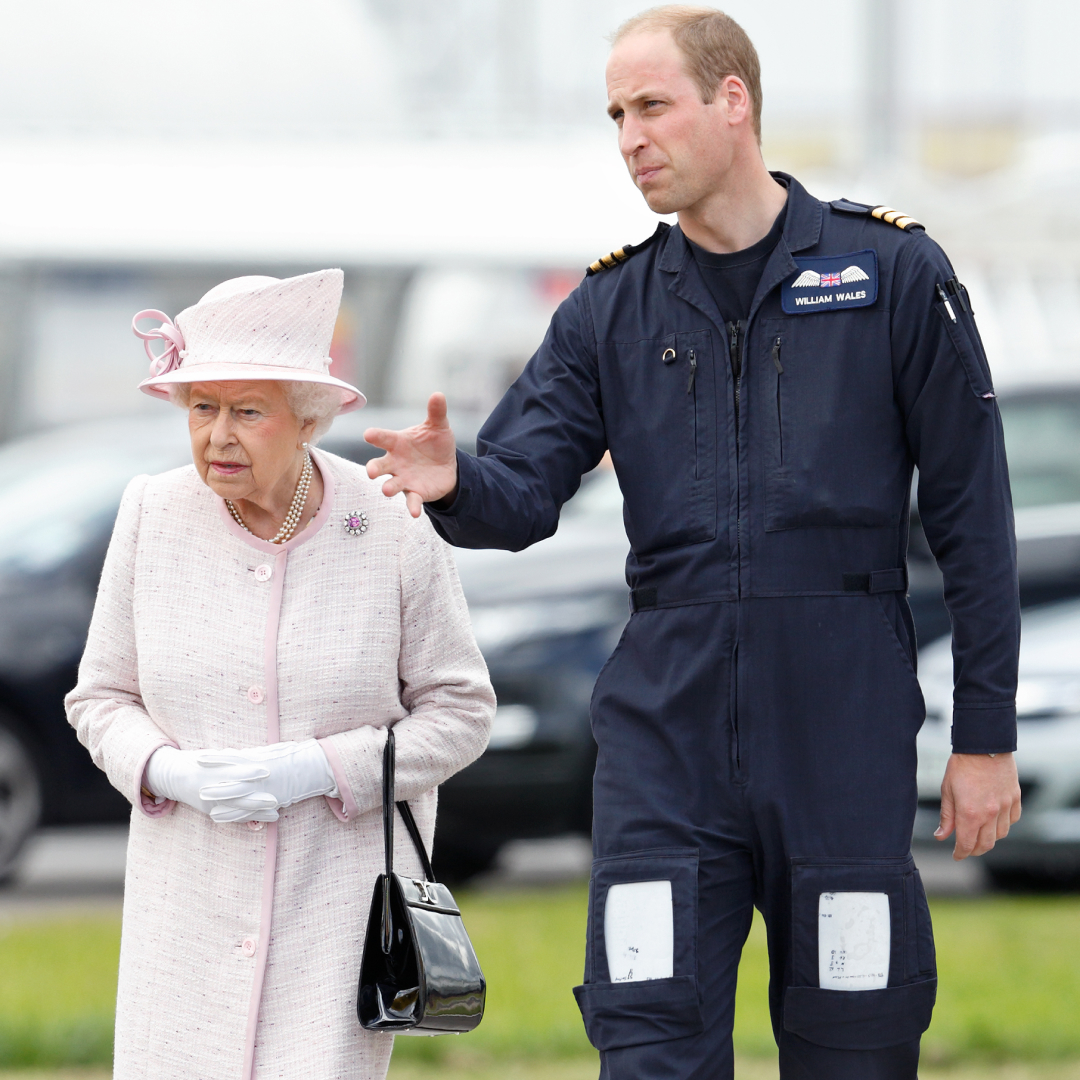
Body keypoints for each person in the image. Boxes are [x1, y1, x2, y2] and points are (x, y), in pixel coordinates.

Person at [363, 7, 1022, 1080]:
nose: (630, 136)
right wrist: (457, 484)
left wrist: (984, 736)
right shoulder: (610, 308)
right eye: (616, 114)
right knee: (649, 1035)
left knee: (854, 1039)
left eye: (652, 105)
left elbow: (973, 518)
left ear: (734, 102)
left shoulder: (890, 274)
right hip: (664, 732)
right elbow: (523, 492)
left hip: (841, 720)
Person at [65, 269, 494, 1080]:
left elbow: (461, 712)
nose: (218, 436)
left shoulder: (391, 525)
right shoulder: (151, 513)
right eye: (202, 408)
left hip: (329, 911)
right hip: (184, 914)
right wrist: (168, 771)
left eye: (247, 411)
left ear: (307, 420)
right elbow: (100, 697)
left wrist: (322, 768)